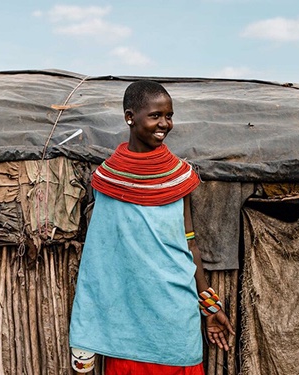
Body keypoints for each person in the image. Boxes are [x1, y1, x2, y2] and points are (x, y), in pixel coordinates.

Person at [69, 80, 234, 374]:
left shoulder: (179, 177)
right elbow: (100, 258)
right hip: (126, 324)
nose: (164, 124)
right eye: (155, 115)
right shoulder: (108, 181)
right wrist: (87, 329)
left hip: (175, 317)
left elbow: (189, 242)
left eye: (168, 116)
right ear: (130, 117)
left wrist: (209, 306)